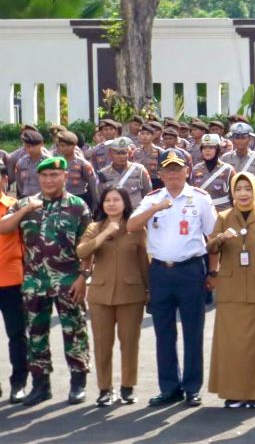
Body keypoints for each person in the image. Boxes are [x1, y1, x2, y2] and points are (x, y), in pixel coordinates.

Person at [0, 155, 92, 406]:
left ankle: (78, 382)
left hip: (68, 280)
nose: (49, 180)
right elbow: (3, 227)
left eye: (54, 175)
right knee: (36, 335)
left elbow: (88, 246)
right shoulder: (25, 203)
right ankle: (41, 385)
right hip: (34, 282)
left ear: (64, 177)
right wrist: (26, 209)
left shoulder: (77, 206)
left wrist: (84, 277)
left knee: (74, 332)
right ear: (37, 178)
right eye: (45, 176)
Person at [129, 148, 216, 407]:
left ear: (187, 171)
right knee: (163, 332)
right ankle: (169, 387)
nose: (173, 174)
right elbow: (131, 226)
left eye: (178, 169)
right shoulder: (152, 199)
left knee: (193, 331)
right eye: (168, 170)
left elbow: (214, 238)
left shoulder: (200, 198)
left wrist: (213, 272)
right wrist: (155, 207)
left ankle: (192, 387)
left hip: (190, 270)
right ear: (160, 174)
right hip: (160, 272)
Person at [205, 172, 255, 408]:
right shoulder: (224, 217)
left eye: (248, 188)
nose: (243, 193)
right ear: (232, 192)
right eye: (238, 189)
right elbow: (209, 247)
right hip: (231, 289)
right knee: (232, 344)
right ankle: (233, 392)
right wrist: (220, 238)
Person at [76, 188, 148, 407]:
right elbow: (82, 252)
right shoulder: (94, 227)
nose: (112, 204)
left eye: (117, 200)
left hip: (131, 294)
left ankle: (127, 387)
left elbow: (144, 261)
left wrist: (149, 290)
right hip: (101, 294)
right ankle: (105, 389)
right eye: (108, 200)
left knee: (129, 343)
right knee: (102, 344)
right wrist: (105, 234)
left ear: (125, 203)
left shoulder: (136, 229)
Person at [0, 167, 25, 402]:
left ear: (5, 179)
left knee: (16, 334)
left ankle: (19, 383)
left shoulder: (15, 206)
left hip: (11, 279)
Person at [189, 134, 235, 210]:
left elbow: (234, 196)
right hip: (201, 211)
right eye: (204, 147)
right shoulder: (195, 169)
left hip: (222, 213)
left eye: (211, 147)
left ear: (218, 149)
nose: (207, 150)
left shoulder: (228, 170)